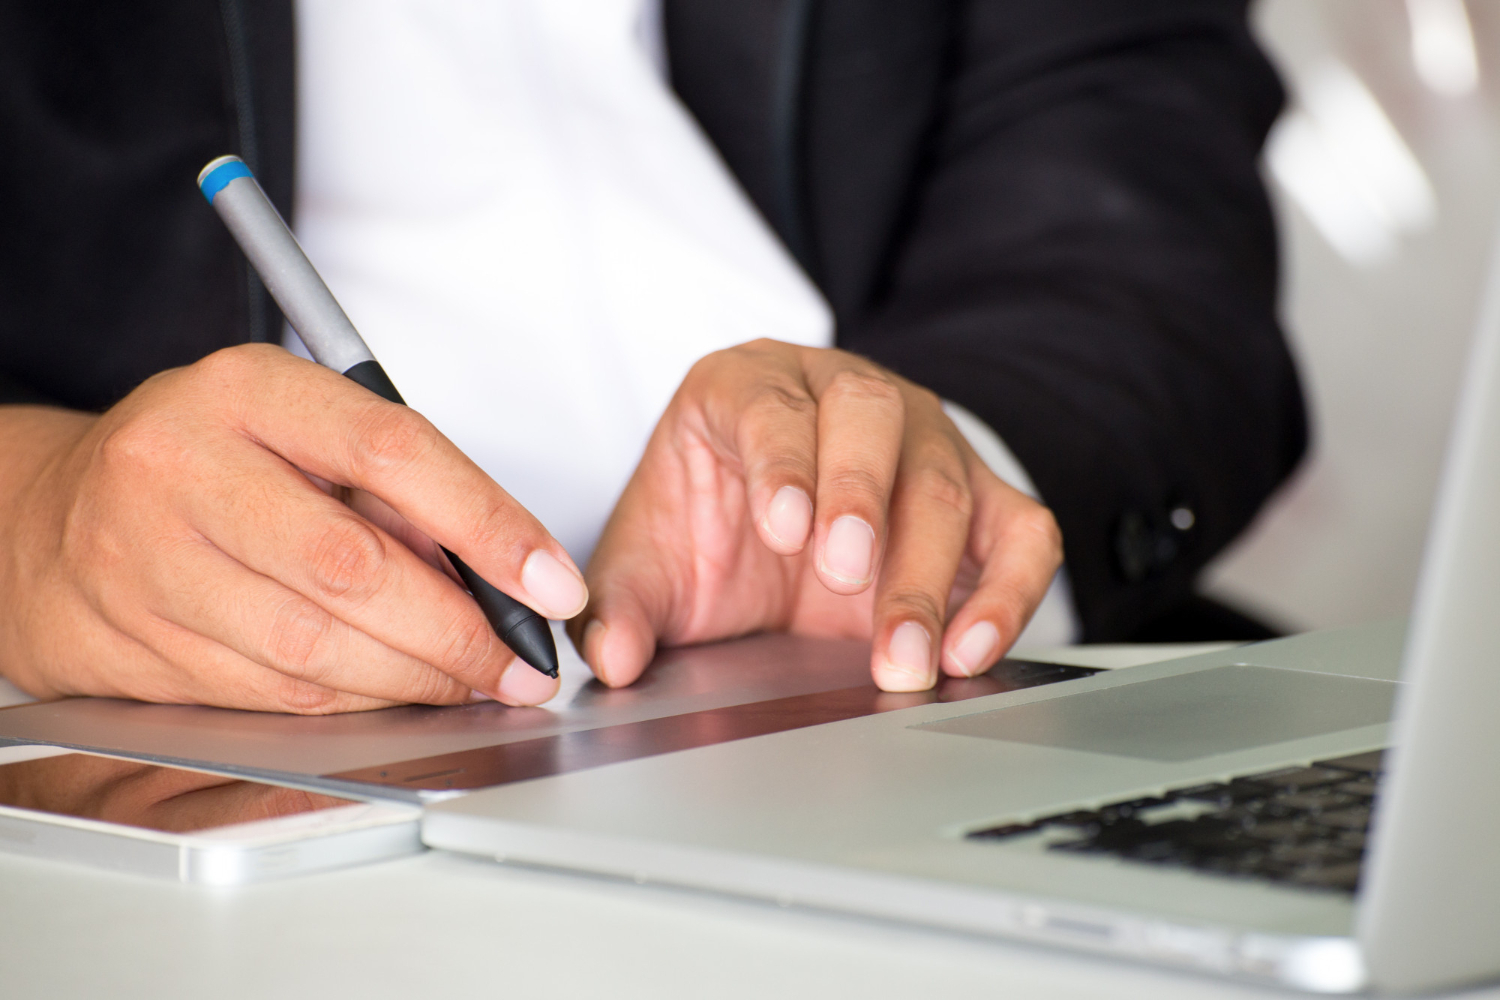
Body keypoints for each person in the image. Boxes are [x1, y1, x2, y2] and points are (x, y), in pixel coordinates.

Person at [0, 0, 1304, 712]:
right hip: (191, 748)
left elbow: (1136, 199)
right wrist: (25, 518)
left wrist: (916, 480)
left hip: (885, 694)